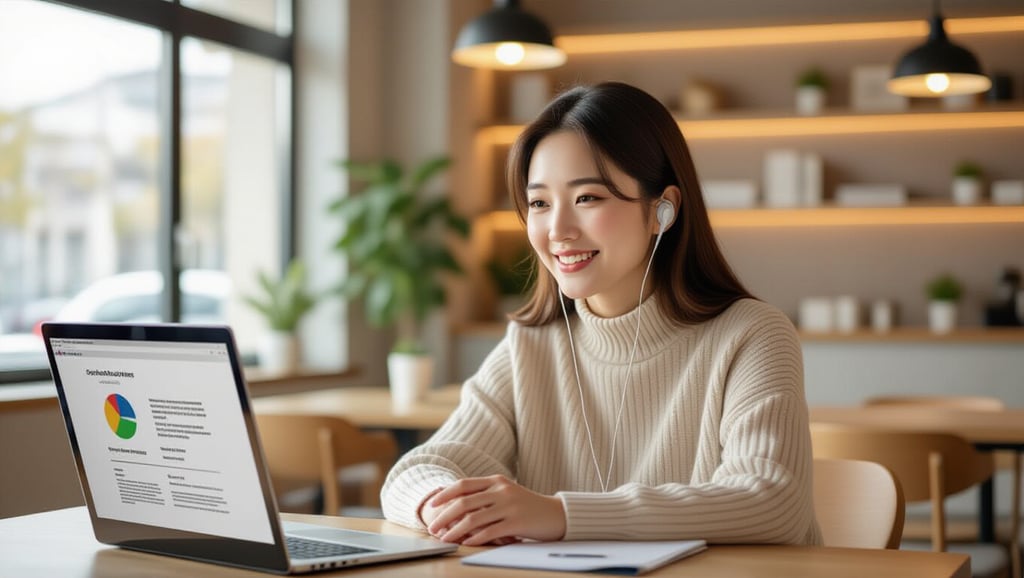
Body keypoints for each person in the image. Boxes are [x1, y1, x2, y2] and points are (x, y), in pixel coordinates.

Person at [380, 81, 822, 547]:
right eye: (539, 203)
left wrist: (560, 515)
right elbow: (414, 472)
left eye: (587, 198)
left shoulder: (752, 335)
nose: (558, 230)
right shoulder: (533, 344)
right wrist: (442, 506)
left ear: (663, 210)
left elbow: (774, 501)